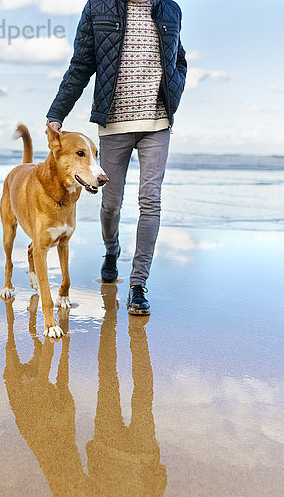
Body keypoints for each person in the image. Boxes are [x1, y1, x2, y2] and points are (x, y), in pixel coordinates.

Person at [47, 0, 187, 315]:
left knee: (150, 200)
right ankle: (112, 251)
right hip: (114, 124)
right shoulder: (99, 7)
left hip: (157, 123)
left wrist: (172, 96)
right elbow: (82, 62)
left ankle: (138, 286)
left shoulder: (171, 9)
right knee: (110, 203)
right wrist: (58, 112)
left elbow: (179, 58)